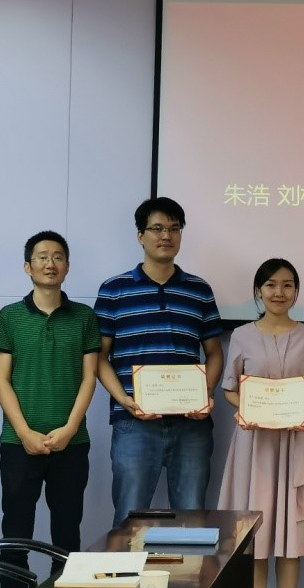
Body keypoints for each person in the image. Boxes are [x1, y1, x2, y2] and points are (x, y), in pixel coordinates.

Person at [95, 197, 225, 527]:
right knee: (129, 519)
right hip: (134, 422)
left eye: (174, 228)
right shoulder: (113, 290)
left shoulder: (199, 290)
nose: (166, 235)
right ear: (140, 236)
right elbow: (99, 357)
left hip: (191, 424)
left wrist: (206, 393)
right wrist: (124, 399)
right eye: (157, 228)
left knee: (191, 519)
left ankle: (187, 567)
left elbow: (214, 352)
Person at [218, 258, 304, 588]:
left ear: (296, 291)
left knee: (290, 539)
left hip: (294, 443)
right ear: (258, 291)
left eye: (287, 285)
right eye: (270, 285)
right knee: (256, 539)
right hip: (255, 446)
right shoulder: (241, 335)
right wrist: (246, 408)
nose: (279, 292)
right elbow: (230, 388)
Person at [0, 230, 101, 588]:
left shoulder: (84, 317)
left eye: (57, 257)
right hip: (18, 443)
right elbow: (1, 380)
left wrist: (69, 428)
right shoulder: (9, 317)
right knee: (15, 535)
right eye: (41, 257)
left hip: (71, 443)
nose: (50, 264)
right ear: (28, 267)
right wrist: (24, 432)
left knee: (67, 535)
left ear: (67, 266)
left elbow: (89, 378)